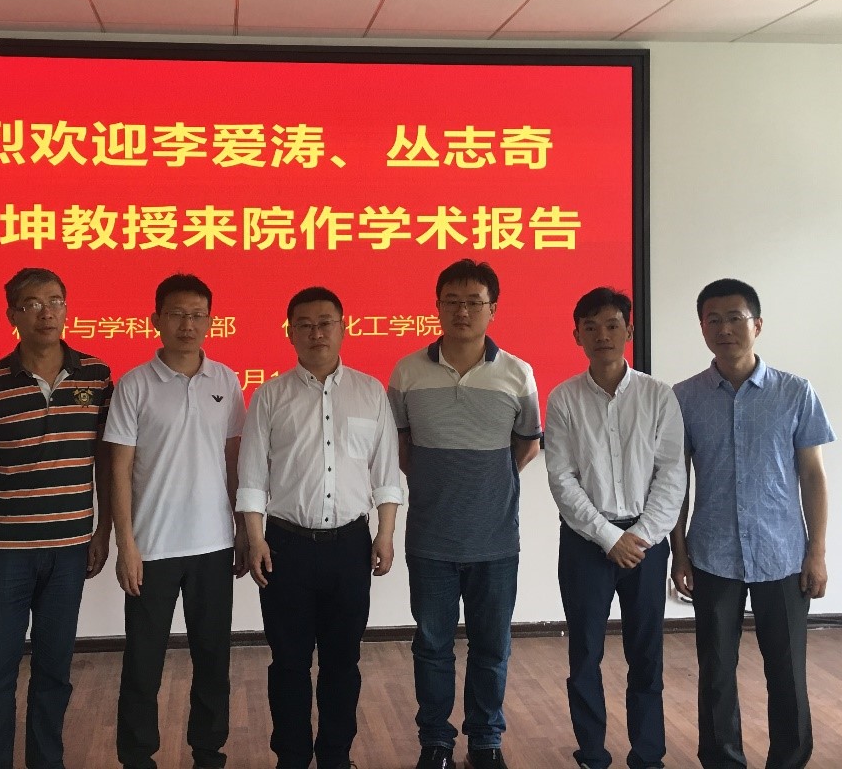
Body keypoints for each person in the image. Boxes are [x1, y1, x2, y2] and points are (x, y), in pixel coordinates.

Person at [669, 278, 834, 769]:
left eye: (735, 318)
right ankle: (722, 760)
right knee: (716, 671)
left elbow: (813, 475)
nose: (724, 329)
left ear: (757, 325)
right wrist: (679, 552)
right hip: (713, 553)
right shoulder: (684, 397)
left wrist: (817, 552)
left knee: (787, 670)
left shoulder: (795, 392)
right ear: (702, 328)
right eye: (713, 320)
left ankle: (789, 760)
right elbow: (677, 482)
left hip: (782, 555)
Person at [0, 267, 114, 769]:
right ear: (12, 315)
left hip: (69, 549)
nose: (47, 312)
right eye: (33, 304)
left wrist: (103, 531)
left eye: (56, 301)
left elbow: (107, 462)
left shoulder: (96, 376)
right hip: (4, 553)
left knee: (54, 671)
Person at [237, 286, 403, 769]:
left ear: (343, 328)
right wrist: (255, 539)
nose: (316, 333)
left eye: (326, 322)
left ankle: (335, 756)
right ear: (290, 333)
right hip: (285, 546)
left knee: (342, 662)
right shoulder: (270, 396)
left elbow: (386, 474)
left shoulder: (370, 392)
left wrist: (385, 534)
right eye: (305, 325)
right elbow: (252, 477)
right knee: (288, 663)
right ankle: (291, 757)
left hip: (351, 545)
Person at [388, 259, 542, 769]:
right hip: (430, 538)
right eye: (451, 301)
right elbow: (400, 446)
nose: (462, 311)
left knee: (491, 647)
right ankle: (435, 742)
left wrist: (485, 483)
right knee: (431, 646)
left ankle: (485, 740)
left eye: (474, 302)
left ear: (492, 309)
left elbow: (526, 446)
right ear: (437, 307)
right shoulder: (408, 372)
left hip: (495, 540)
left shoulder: (518, 373)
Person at [102, 274, 247, 769]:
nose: (188, 324)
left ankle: (209, 752)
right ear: (156, 320)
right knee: (143, 664)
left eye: (198, 315)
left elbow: (234, 462)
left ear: (211, 321)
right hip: (153, 547)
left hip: (213, 544)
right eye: (178, 314)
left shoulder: (226, 381)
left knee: (213, 660)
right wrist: (126, 544)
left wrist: (242, 531)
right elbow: (119, 470)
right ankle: (137, 757)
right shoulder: (134, 385)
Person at [544, 287, 685, 769]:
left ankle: (647, 755)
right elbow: (562, 479)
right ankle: (592, 753)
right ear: (577, 336)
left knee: (646, 655)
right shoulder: (564, 398)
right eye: (590, 327)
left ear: (629, 329)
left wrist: (638, 537)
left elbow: (673, 473)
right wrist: (609, 537)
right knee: (584, 654)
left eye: (611, 325)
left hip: (646, 545)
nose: (601, 335)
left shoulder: (658, 396)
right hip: (586, 543)